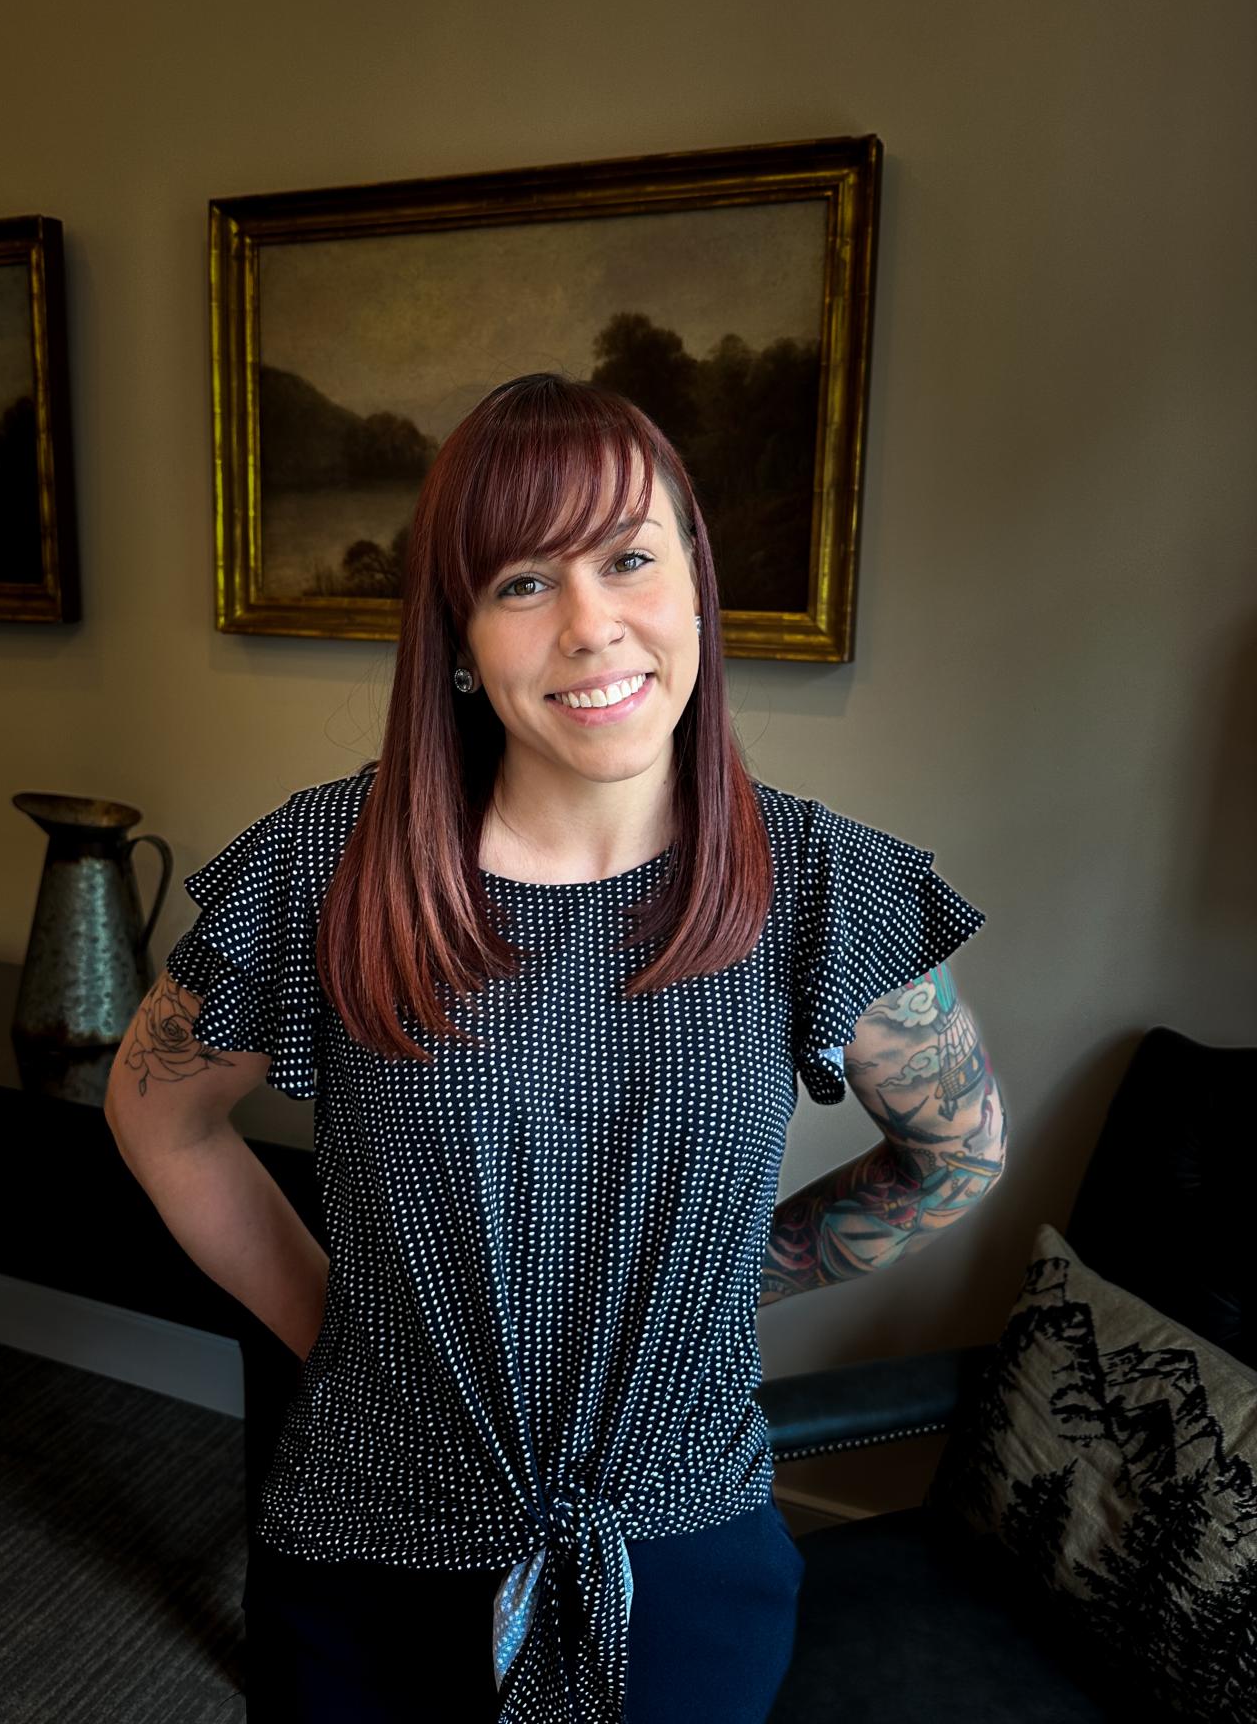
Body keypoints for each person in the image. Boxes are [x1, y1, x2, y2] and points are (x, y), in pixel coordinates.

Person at [104, 372, 1005, 1724]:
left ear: (694, 585)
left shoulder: (821, 887)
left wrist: (708, 1299)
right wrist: (340, 1329)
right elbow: (156, 1112)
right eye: (523, 582)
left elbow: (955, 1156)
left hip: (684, 1556)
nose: (594, 626)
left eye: (630, 559)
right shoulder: (326, 871)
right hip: (369, 1544)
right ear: (459, 638)